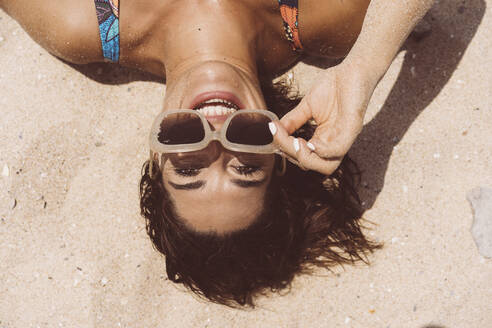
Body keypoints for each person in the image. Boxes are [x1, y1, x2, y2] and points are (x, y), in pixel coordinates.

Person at [1, 0, 435, 306]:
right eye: (246, 164)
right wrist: (363, 69)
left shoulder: (84, 20)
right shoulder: (318, 16)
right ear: (278, 150)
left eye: (188, 164)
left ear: (156, 156)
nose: (215, 135)